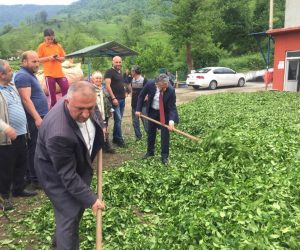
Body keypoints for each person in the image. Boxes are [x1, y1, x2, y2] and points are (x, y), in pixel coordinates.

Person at [34, 81, 105, 249]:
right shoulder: (59, 134)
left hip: (73, 163)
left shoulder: (83, 102)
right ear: (67, 101)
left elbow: (95, 114)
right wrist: (92, 199)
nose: (86, 114)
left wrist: (102, 126)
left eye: (91, 107)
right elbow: (67, 175)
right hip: (55, 174)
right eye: (80, 109)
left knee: (75, 207)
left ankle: (58, 240)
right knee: (69, 215)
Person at [0, 59, 37, 211]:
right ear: (1, 74)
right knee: (5, 168)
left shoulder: (11, 87)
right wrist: (5, 127)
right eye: (9, 71)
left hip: (21, 133)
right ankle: (4, 197)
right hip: (6, 137)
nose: (12, 73)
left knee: (21, 163)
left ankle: (18, 189)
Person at [14, 51, 49, 191]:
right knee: (35, 148)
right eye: (33, 61)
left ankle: (32, 176)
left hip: (39, 116)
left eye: (37, 61)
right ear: (24, 62)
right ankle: (35, 179)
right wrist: (37, 118)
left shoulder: (29, 75)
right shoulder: (23, 76)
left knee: (37, 147)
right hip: (34, 118)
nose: (37, 64)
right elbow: (26, 99)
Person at [135, 73, 179, 165]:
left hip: (164, 113)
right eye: (163, 87)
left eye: (166, 86)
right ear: (157, 84)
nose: (165, 88)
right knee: (151, 133)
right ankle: (150, 152)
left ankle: (164, 156)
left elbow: (172, 107)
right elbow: (141, 96)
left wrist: (171, 121)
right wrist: (138, 109)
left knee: (165, 135)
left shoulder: (170, 90)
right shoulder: (150, 84)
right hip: (152, 112)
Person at [37, 28, 69, 108]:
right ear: (44, 38)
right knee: (52, 94)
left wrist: (57, 58)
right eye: (48, 39)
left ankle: (65, 106)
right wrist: (49, 58)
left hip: (59, 73)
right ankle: (53, 109)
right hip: (49, 74)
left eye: (52, 39)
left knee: (66, 87)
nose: (50, 41)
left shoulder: (58, 46)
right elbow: (39, 60)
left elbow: (63, 58)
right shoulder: (41, 46)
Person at [91, 71, 115, 153]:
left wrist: (111, 110)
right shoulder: (90, 89)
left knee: (105, 128)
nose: (98, 80)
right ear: (92, 79)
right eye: (96, 78)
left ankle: (106, 145)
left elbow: (108, 100)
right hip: (95, 114)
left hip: (105, 113)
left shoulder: (104, 88)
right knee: (96, 130)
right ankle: (96, 148)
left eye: (100, 78)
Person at [104, 56, 126, 147]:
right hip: (115, 100)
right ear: (112, 62)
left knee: (118, 120)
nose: (118, 64)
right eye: (116, 62)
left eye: (120, 62)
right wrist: (113, 98)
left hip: (122, 99)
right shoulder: (109, 72)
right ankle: (119, 140)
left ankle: (115, 138)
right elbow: (108, 86)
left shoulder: (120, 72)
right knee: (119, 119)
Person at [128, 65, 151, 140]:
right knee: (135, 122)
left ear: (135, 72)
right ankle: (138, 136)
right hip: (134, 105)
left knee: (146, 122)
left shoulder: (144, 80)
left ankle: (150, 136)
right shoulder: (132, 80)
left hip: (143, 105)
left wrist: (146, 96)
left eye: (132, 71)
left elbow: (148, 92)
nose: (131, 72)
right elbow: (131, 90)